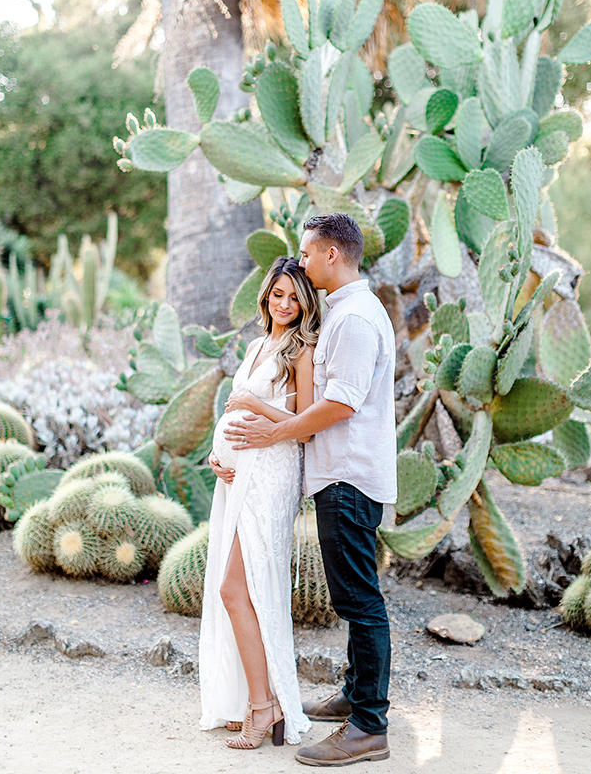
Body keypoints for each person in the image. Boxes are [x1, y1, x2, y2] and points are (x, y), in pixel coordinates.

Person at [223, 213, 397, 767]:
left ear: (329, 255)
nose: (298, 262)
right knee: (354, 594)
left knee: (358, 599)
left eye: (304, 253)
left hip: (347, 474)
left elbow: (339, 404)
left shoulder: (354, 322)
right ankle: (354, 696)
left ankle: (369, 725)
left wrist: (273, 431)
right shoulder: (344, 314)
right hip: (334, 473)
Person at [199, 256, 320, 750]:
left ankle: (265, 705)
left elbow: (308, 418)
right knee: (234, 590)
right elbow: (231, 410)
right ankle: (250, 698)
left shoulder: (301, 351)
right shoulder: (255, 346)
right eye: (278, 295)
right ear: (266, 296)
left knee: (237, 588)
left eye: (294, 297)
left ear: (305, 302)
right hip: (237, 474)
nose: (285, 304)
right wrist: (216, 452)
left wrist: (251, 407)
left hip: (272, 475)